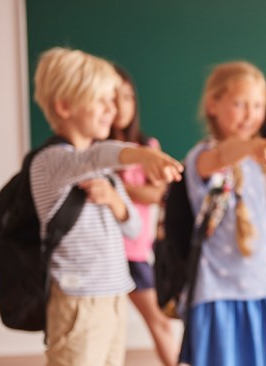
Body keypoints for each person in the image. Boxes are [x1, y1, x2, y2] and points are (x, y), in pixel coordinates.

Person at [31, 47, 183, 366]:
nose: (111, 110)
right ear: (64, 106)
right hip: (78, 301)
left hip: (112, 296)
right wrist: (141, 154)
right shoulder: (51, 162)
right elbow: (92, 157)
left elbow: (134, 227)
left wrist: (116, 201)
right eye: (101, 100)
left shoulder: (103, 173)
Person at [178, 61, 266, 366]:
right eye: (240, 104)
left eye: (257, 105)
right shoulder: (203, 156)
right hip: (218, 294)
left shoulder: (261, 163)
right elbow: (221, 157)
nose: (250, 113)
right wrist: (250, 148)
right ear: (212, 105)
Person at [108, 64, 178, 366]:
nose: (120, 105)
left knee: (159, 321)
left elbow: (158, 193)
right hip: (103, 251)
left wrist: (115, 186)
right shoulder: (93, 149)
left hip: (135, 250)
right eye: (112, 97)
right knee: (108, 328)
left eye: (127, 96)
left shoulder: (148, 147)